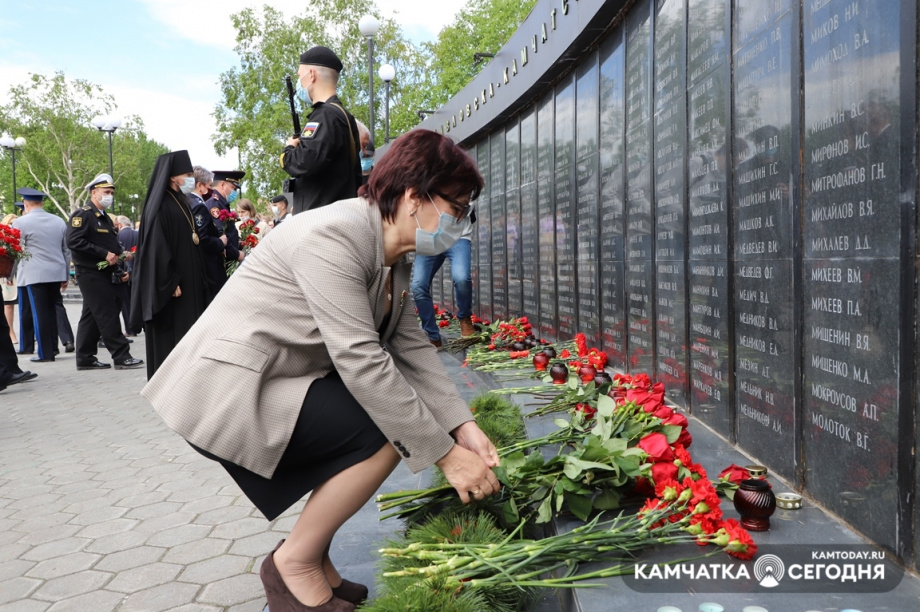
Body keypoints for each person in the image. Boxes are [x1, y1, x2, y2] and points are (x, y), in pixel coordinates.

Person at [142, 130, 496, 612]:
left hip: (280, 379)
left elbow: (412, 348)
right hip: (229, 386)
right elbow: (360, 359)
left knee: (383, 421)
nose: (460, 221)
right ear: (416, 197)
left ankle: (315, 559)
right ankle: (294, 564)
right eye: (458, 206)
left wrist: (464, 427)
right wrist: (446, 456)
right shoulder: (336, 233)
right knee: (381, 427)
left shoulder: (390, 252)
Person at [130, 150, 211, 379]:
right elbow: (157, 247)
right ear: (173, 176)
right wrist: (168, 279)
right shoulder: (160, 206)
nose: (190, 179)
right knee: (174, 332)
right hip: (175, 284)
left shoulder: (181, 201)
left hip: (191, 279)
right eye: (186, 174)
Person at [67, 174, 144, 371]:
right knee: (107, 313)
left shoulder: (104, 219)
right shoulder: (83, 215)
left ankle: (85, 358)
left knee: (91, 315)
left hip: (103, 272)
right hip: (90, 273)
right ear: (94, 193)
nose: (109, 196)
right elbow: (74, 242)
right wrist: (103, 253)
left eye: (111, 193)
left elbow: (111, 247)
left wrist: (120, 261)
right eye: (106, 192)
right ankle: (121, 356)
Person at [281, 45, 362, 214]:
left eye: (300, 76)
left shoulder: (324, 116)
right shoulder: (343, 115)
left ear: (311, 75)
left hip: (320, 220)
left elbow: (303, 162)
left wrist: (289, 149)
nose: (299, 83)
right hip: (335, 215)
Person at [11, 188, 70, 363]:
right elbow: (66, 251)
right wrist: (65, 274)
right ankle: (52, 347)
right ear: (42, 203)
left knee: (40, 313)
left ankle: (45, 353)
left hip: (34, 273)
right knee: (51, 311)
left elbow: (16, 250)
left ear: (26, 204)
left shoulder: (21, 223)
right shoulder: (58, 221)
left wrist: (10, 273)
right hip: (56, 271)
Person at [410, 208, 477, 347]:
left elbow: (468, 195)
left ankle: (464, 318)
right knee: (418, 285)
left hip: (458, 235)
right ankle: (432, 335)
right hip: (428, 236)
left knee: (462, 278)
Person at [189, 165, 229, 296]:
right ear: (200, 186)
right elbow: (202, 238)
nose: (211, 190)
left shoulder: (186, 202)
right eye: (209, 186)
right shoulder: (198, 206)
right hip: (209, 267)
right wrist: (220, 242)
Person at [207, 170, 245, 270]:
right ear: (223, 185)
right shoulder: (215, 204)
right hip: (221, 263)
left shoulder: (222, 204)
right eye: (233, 188)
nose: (235, 193)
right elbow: (221, 236)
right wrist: (236, 254)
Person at [115, 215, 139, 336]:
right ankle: (140, 325)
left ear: (119, 225)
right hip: (137, 271)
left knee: (126, 302)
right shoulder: (137, 234)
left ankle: (130, 329)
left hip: (124, 272)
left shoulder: (119, 236)